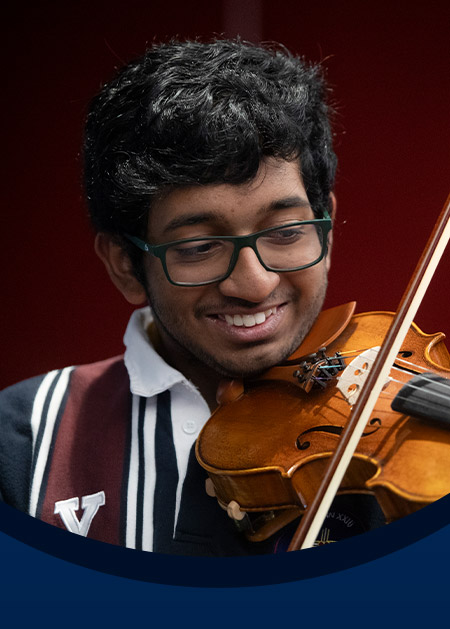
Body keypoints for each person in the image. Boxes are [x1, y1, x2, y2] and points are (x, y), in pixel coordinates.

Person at [0, 37, 392, 555]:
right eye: (201, 246)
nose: (253, 284)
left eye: (286, 231)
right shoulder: (23, 444)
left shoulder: (403, 445)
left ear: (328, 229)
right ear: (125, 264)